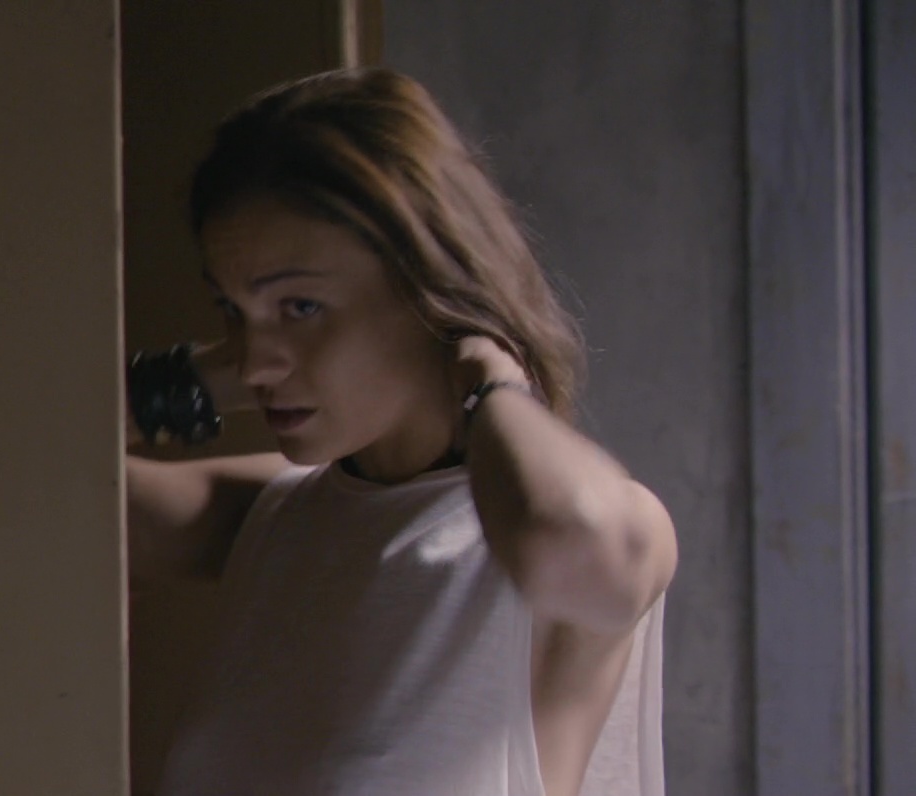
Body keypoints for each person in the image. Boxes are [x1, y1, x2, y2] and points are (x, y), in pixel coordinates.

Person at [125, 68, 677, 796]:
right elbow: (32, 476)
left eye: (301, 306)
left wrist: (488, 372)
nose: (255, 362)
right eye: (233, 309)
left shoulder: (577, 537)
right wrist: (216, 370)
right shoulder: (278, 516)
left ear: (430, 286)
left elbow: (563, 537)